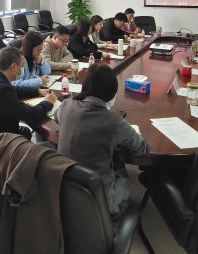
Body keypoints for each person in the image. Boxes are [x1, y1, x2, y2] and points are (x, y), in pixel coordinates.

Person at [54, 64, 149, 215]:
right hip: (98, 199)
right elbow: (141, 148)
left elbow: (57, 117)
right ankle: (115, 211)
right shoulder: (114, 121)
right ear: (111, 93)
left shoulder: (67, 104)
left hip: (64, 186)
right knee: (123, 174)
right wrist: (135, 133)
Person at [0, 46, 57, 148]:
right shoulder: (1, 91)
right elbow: (31, 115)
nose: (23, 69)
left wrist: (37, 91)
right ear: (14, 66)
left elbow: (14, 88)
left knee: (25, 132)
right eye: (22, 65)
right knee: (28, 136)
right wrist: (48, 102)